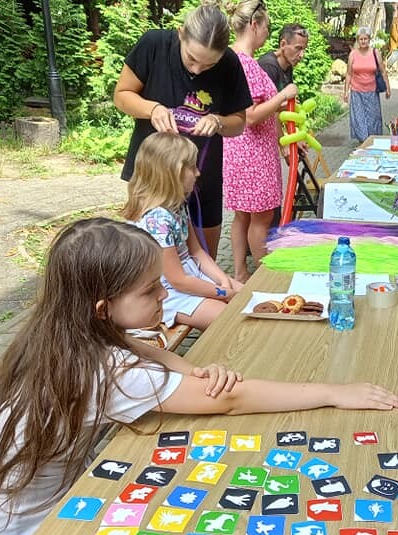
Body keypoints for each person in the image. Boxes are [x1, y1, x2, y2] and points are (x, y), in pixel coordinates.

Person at [0, 217, 398, 535]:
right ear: (103, 308)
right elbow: (231, 401)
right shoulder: (108, 374)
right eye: (151, 290)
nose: (165, 296)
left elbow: (141, 347)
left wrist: (190, 366)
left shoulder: (56, 338)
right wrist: (332, 391)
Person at [114, 4, 252, 259]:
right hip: (153, 174)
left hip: (200, 177)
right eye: (192, 58)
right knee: (147, 259)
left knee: (204, 257)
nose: (197, 70)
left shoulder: (230, 64)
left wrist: (218, 121)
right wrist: (152, 109)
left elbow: (239, 123)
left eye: (209, 65)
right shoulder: (154, 45)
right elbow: (122, 95)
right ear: (181, 33)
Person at [122, 133, 242, 330]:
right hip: (168, 294)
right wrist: (222, 293)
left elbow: (197, 251)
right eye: (192, 167)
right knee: (231, 320)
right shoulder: (157, 220)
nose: (198, 173)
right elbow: (178, 280)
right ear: (173, 173)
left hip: (191, 278)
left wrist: (222, 280)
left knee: (248, 296)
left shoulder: (177, 205)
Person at [223, 0, 300, 283]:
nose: (268, 33)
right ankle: (265, 277)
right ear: (254, 25)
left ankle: (241, 274)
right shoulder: (245, 64)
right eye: (266, 27)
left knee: (243, 215)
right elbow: (251, 115)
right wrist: (283, 95)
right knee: (262, 217)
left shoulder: (234, 59)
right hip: (252, 152)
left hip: (241, 150)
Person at [343, 27, 390, 143]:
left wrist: (388, 88)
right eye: (361, 39)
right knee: (359, 119)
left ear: (369, 39)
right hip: (357, 91)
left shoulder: (375, 53)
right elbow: (348, 74)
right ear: (358, 40)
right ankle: (363, 141)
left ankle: (372, 141)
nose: (363, 41)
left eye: (365, 39)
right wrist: (346, 91)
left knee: (373, 119)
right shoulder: (353, 54)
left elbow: (383, 71)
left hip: (372, 91)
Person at [257, 23, 309, 91]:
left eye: (304, 50)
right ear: (283, 44)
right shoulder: (268, 66)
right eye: (298, 48)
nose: (301, 55)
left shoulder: (288, 65)